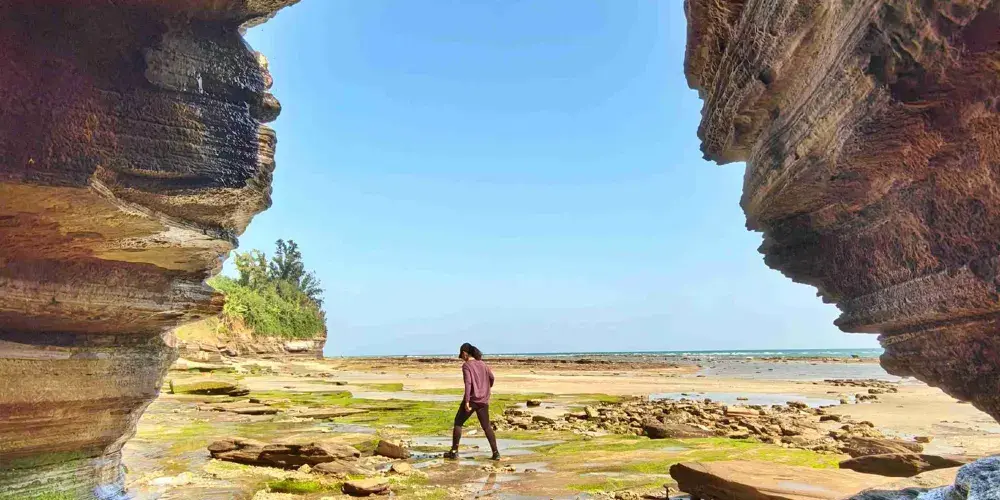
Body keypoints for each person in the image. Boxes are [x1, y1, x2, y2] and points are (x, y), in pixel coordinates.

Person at [443, 342, 499, 460]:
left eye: (461, 355)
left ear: (465, 353)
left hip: (472, 399)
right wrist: (487, 388)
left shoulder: (467, 366)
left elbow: (468, 383)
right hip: (483, 400)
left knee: (458, 422)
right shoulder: (482, 364)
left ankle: (454, 451)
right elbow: (492, 378)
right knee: (486, 427)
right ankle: (496, 453)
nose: (462, 358)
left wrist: (467, 401)